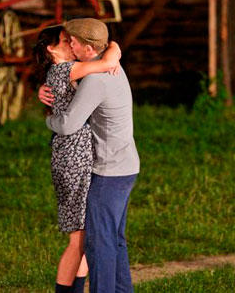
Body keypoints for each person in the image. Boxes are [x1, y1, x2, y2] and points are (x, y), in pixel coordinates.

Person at [39, 18, 140, 293]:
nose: (69, 43)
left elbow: (69, 124)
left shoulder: (95, 80)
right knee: (115, 239)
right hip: (127, 165)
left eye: (72, 41)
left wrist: (49, 121)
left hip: (109, 171)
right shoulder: (112, 66)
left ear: (86, 48)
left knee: (100, 243)